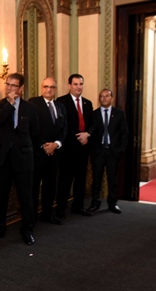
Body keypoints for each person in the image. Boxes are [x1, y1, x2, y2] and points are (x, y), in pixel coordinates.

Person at [0, 73, 39, 245]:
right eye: (7, 85)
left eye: (13, 86)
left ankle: (28, 229)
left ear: (21, 88)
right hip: (2, 158)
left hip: (23, 158)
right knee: (1, 196)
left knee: (26, 196)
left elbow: (35, 133)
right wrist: (10, 104)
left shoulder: (31, 108)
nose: (9, 88)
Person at [29, 77, 67, 225]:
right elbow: (31, 128)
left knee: (50, 185)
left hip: (54, 153)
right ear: (41, 87)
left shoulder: (60, 106)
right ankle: (31, 217)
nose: (48, 89)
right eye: (46, 86)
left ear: (55, 90)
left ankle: (47, 214)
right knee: (33, 186)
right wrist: (44, 145)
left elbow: (65, 128)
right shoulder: (33, 103)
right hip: (38, 153)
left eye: (52, 87)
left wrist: (56, 144)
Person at [56, 74, 94, 217]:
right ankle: (61, 209)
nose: (79, 87)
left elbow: (93, 123)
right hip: (67, 148)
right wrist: (80, 135)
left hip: (84, 148)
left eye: (81, 84)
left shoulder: (87, 103)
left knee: (81, 179)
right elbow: (63, 125)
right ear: (69, 85)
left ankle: (78, 207)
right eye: (76, 84)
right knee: (65, 180)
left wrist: (87, 134)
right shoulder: (61, 102)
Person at [86, 89, 128, 214]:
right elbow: (91, 132)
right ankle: (95, 203)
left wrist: (120, 150)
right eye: (101, 96)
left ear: (112, 98)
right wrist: (93, 150)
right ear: (99, 99)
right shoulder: (94, 114)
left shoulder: (119, 114)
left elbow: (124, 133)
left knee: (112, 178)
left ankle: (112, 203)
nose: (104, 98)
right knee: (96, 179)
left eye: (107, 96)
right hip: (98, 152)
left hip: (113, 152)